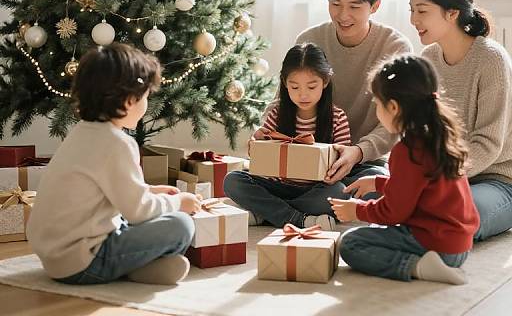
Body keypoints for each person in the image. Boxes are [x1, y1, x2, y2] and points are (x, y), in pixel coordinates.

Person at [27, 43, 201, 286]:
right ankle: (124, 268)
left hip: (55, 258)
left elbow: (97, 193)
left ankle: (134, 268)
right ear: (130, 100)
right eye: (146, 97)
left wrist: (150, 191)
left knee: (149, 219)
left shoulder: (82, 133)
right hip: (82, 260)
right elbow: (138, 212)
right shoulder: (117, 143)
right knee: (181, 225)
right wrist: (178, 203)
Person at [330, 54, 480, 284]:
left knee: (350, 243)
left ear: (393, 107)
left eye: (377, 105)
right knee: (375, 226)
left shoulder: (408, 150)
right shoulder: (436, 136)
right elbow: (421, 190)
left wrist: (357, 211)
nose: (377, 111)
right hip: (458, 246)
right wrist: (378, 183)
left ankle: (416, 266)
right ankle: (428, 262)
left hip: (438, 247)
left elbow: (394, 213)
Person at [409, 0, 512, 241]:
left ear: (452, 12)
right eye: (411, 10)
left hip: (497, 181)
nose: (413, 19)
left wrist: (437, 178)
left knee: (453, 214)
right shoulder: (429, 58)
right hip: (444, 176)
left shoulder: (491, 59)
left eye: (421, 11)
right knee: (380, 196)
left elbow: (488, 144)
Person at [296, 0, 412, 187]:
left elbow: (398, 121)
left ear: (375, 5)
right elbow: (283, 101)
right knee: (236, 181)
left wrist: (358, 152)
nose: (342, 15)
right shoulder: (309, 41)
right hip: (313, 157)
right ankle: (307, 206)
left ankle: (289, 206)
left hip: (367, 159)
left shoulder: (395, 47)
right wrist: (263, 136)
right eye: (335, 4)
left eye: (354, 7)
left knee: (377, 188)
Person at [224, 43, 352, 230]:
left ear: (325, 82)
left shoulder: (337, 117)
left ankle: (265, 212)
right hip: (279, 187)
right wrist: (257, 143)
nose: (303, 95)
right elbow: (260, 158)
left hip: (315, 190)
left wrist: (332, 171)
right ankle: (300, 219)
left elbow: (342, 165)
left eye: (311, 86)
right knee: (232, 180)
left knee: (339, 193)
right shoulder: (276, 113)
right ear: (285, 83)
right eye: (295, 87)